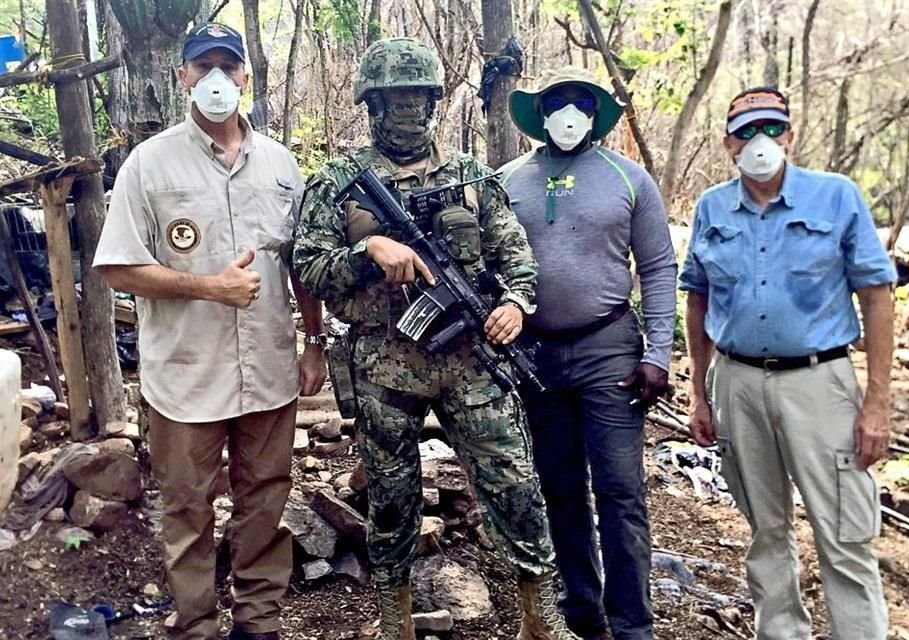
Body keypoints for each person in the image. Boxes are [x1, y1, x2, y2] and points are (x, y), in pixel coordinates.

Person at [293, 37, 576, 640]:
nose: (407, 111)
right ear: (372, 104)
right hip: (382, 361)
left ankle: (540, 617)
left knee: (515, 482)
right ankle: (396, 619)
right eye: (394, 99)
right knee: (392, 496)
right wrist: (367, 251)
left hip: (472, 357)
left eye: (417, 98)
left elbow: (515, 255)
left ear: (434, 103)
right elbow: (309, 268)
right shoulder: (341, 181)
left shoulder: (471, 176)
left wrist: (515, 305)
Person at [93, 22, 327, 640]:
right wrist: (207, 287)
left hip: (270, 368)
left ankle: (259, 620)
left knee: (265, 500)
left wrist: (315, 341)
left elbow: (300, 261)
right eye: (204, 68)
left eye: (229, 66)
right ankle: (195, 623)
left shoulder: (280, 164)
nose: (217, 79)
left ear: (247, 77)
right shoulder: (149, 163)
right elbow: (117, 266)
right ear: (183, 78)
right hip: (185, 374)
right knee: (187, 508)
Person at [679, 87, 894, 640]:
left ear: (790, 136)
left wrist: (877, 402)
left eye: (771, 129)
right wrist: (700, 392)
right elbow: (697, 297)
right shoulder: (711, 208)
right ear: (728, 143)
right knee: (765, 531)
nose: (760, 142)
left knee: (843, 532)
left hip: (820, 383)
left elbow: (876, 295)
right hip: (739, 382)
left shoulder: (836, 197)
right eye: (747, 132)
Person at [499, 67, 677, 640]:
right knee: (559, 486)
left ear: (596, 114)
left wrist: (660, 353)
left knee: (620, 489)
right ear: (540, 113)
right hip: (536, 355)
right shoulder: (507, 181)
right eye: (558, 102)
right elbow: (486, 262)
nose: (569, 113)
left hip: (610, 349)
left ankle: (633, 625)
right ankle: (584, 614)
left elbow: (656, 267)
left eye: (581, 102)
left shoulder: (629, 180)